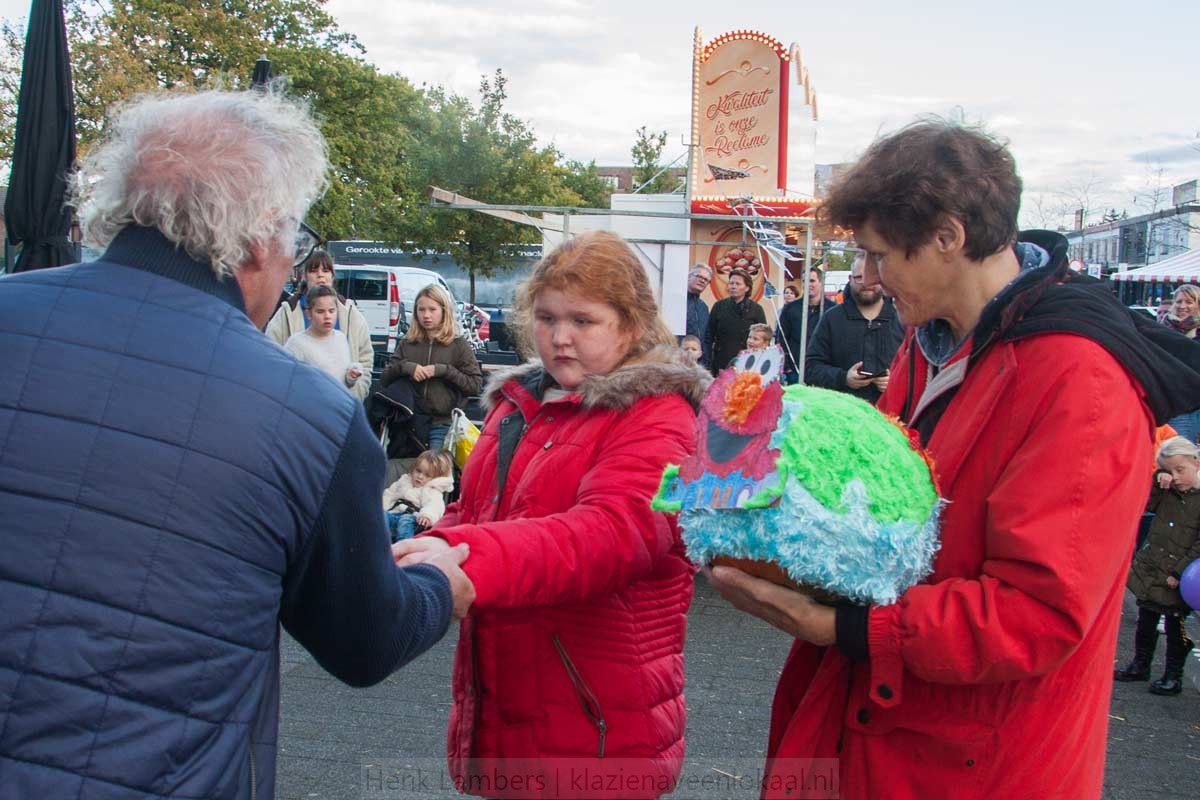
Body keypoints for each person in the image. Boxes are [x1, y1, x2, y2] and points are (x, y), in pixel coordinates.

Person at [0, 89, 475, 799]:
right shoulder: (308, 415)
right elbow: (363, 640)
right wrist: (439, 586)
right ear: (257, 238)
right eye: (294, 240)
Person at [705, 119, 1200, 799]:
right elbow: (880, 503)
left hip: (977, 758)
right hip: (886, 719)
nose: (869, 278)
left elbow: (1038, 614)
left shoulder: (1079, 380)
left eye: (880, 255)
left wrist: (839, 625)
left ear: (947, 237)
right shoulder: (931, 340)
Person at [392, 230, 710, 799]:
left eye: (583, 321)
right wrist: (424, 545)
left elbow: (611, 536)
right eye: (546, 318)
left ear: (631, 324)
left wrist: (466, 559)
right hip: (511, 698)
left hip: (595, 719)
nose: (560, 338)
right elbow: (478, 510)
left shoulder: (660, 416)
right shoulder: (519, 404)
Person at [1116, 436, 1200, 695]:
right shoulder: (1168, 491)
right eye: (1170, 471)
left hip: (1180, 575)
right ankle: (1140, 664)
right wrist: (1157, 480)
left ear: (1196, 463)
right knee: (1146, 618)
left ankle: (1173, 676)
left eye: (1180, 470)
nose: (1176, 477)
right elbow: (1147, 504)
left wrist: (1180, 571)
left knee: (1176, 627)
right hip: (1154, 567)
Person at [380, 283, 483, 451]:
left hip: (442, 423)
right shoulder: (407, 343)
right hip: (408, 422)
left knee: (433, 467)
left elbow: (475, 385)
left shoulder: (458, 345)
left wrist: (444, 371)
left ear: (444, 311)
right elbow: (385, 379)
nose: (426, 315)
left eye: (432, 309)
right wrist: (406, 367)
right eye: (421, 310)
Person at [267, 249, 374, 401]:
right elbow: (271, 360)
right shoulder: (287, 313)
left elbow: (365, 359)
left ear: (332, 275)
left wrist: (356, 394)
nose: (320, 275)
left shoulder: (351, 314)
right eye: (313, 270)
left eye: (326, 270)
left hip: (343, 406)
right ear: (305, 276)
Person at [804, 254, 905, 404]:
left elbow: (919, 371)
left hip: (891, 413)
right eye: (859, 278)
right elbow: (811, 368)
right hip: (843, 411)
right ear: (850, 279)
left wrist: (895, 381)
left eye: (873, 277)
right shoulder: (832, 319)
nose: (866, 283)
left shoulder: (903, 319)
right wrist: (843, 378)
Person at [284, 284, 365, 392]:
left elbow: (343, 382)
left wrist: (351, 376)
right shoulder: (296, 344)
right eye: (320, 311)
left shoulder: (341, 338)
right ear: (308, 314)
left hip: (339, 401)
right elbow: (285, 382)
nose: (327, 316)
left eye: (331, 311)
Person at [776, 266, 837, 384]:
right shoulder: (790, 309)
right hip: (795, 370)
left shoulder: (832, 310)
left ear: (821, 282)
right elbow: (782, 339)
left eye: (812, 281)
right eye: (805, 281)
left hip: (823, 369)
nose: (808, 284)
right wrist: (787, 366)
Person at [383, 449, 455, 542]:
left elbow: (434, 506)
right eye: (418, 471)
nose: (420, 476)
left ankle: (403, 543)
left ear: (436, 478)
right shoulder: (405, 480)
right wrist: (381, 505)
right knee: (382, 516)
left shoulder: (431, 491)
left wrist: (427, 516)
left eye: (427, 475)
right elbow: (390, 493)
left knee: (405, 520)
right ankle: (381, 539)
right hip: (394, 513)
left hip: (414, 517)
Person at [705, 267, 766, 375]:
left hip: (747, 364)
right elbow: (709, 336)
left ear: (747, 288)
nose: (733, 286)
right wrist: (708, 362)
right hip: (722, 363)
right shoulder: (719, 307)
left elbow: (763, 338)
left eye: (738, 284)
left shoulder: (757, 310)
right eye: (731, 283)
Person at [685, 263, 713, 364]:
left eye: (706, 280)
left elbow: (706, 338)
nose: (702, 281)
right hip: (678, 360)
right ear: (689, 277)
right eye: (699, 276)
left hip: (699, 363)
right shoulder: (676, 302)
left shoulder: (703, 307)